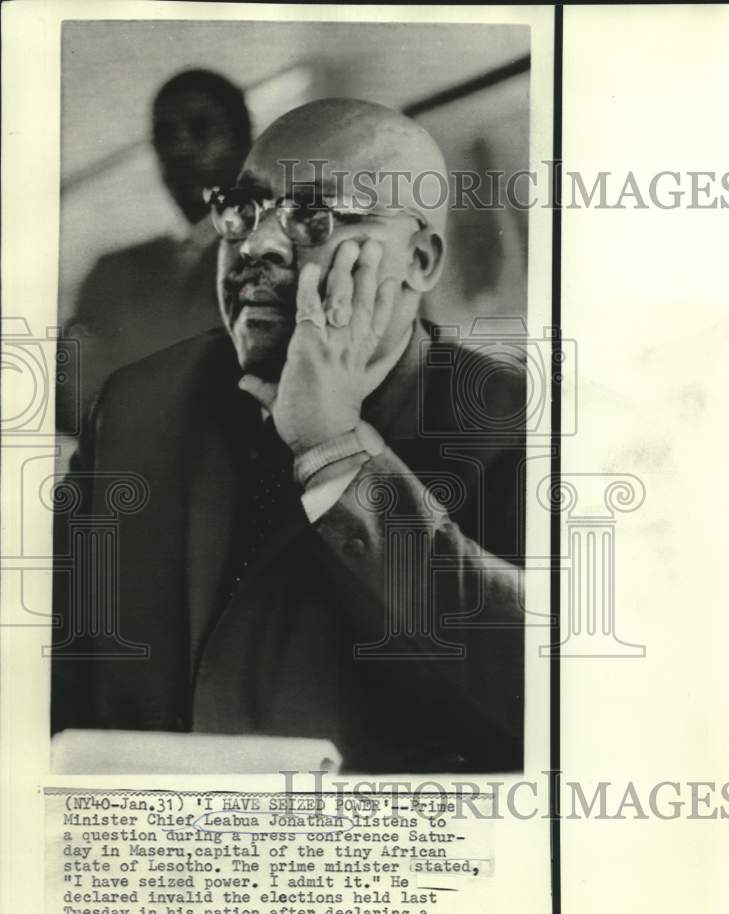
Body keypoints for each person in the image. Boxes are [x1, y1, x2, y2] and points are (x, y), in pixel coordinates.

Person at [51, 99, 526, 773]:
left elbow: (556, 692)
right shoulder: (137, 406)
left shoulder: (515, 423)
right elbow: (47, 669)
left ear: (418, 259)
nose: (254, 245)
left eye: (313, 217)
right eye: (243, 210)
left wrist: (333, 447)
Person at [57, 69, 252, 433]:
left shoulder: (274, 256)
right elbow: (76, 403)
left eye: (201, 129)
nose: (180, 149)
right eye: (165, 135)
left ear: (244, 141)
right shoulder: (113, 272)